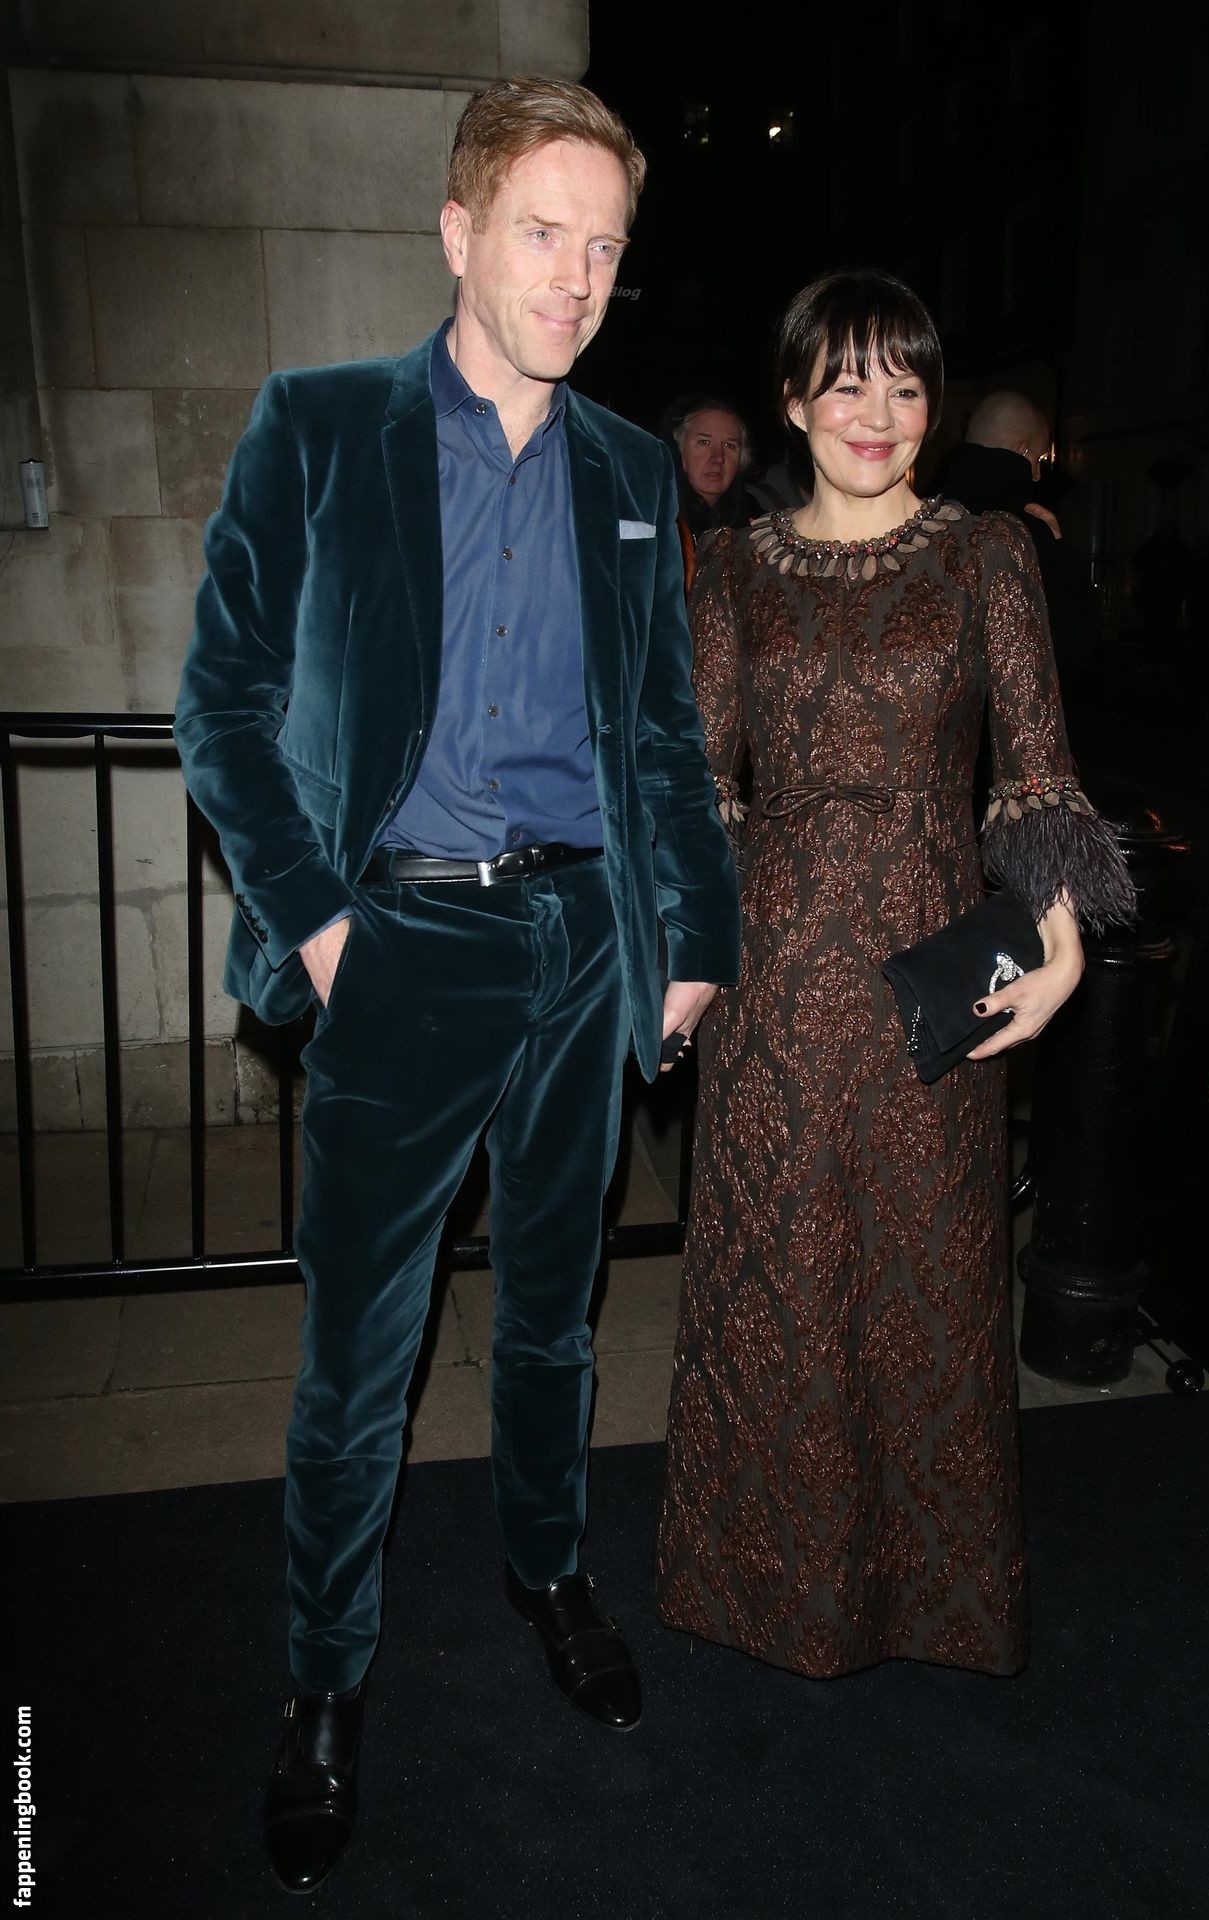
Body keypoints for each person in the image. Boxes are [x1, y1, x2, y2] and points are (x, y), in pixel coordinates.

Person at [175, 77, 740, 1895]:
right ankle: (323, 1684)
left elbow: (659, 732)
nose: (575, 279)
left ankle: (547, 1570)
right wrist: (323, 929)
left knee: (556, 1315)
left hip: (583, 946)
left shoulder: (632, 472)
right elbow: (220, 706)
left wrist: (691, 933)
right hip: (400, 943)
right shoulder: (321, 425)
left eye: (604, 249)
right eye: (541, 234)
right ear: (457, 231)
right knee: (363, 1353)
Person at [655, 269, 1134, 1682]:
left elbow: (1034, 769)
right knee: (779, 1281)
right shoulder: (736, 568)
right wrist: (683, 960)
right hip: (772, 987)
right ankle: (771, 1591)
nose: (878, 412)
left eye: (907, 383)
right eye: (846, 382)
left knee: (929, 1277)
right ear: (793, 400)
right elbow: (701, 787)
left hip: (932, 971)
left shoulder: (986, 556)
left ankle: (930, 1598)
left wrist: (1060, 945)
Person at [938, 390, 1096, 676]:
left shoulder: (919, 519)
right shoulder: (1029, 535)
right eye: (1038, 459)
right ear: (1022, 451)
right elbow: (1075, 639)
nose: (1037, 474)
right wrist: (1059, 550)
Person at [659, 396, 758, 592]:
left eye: (730, 445)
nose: (718, 458)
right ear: (679, 450)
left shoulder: (757, 527)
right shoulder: (660, 523)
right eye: (704, 442)